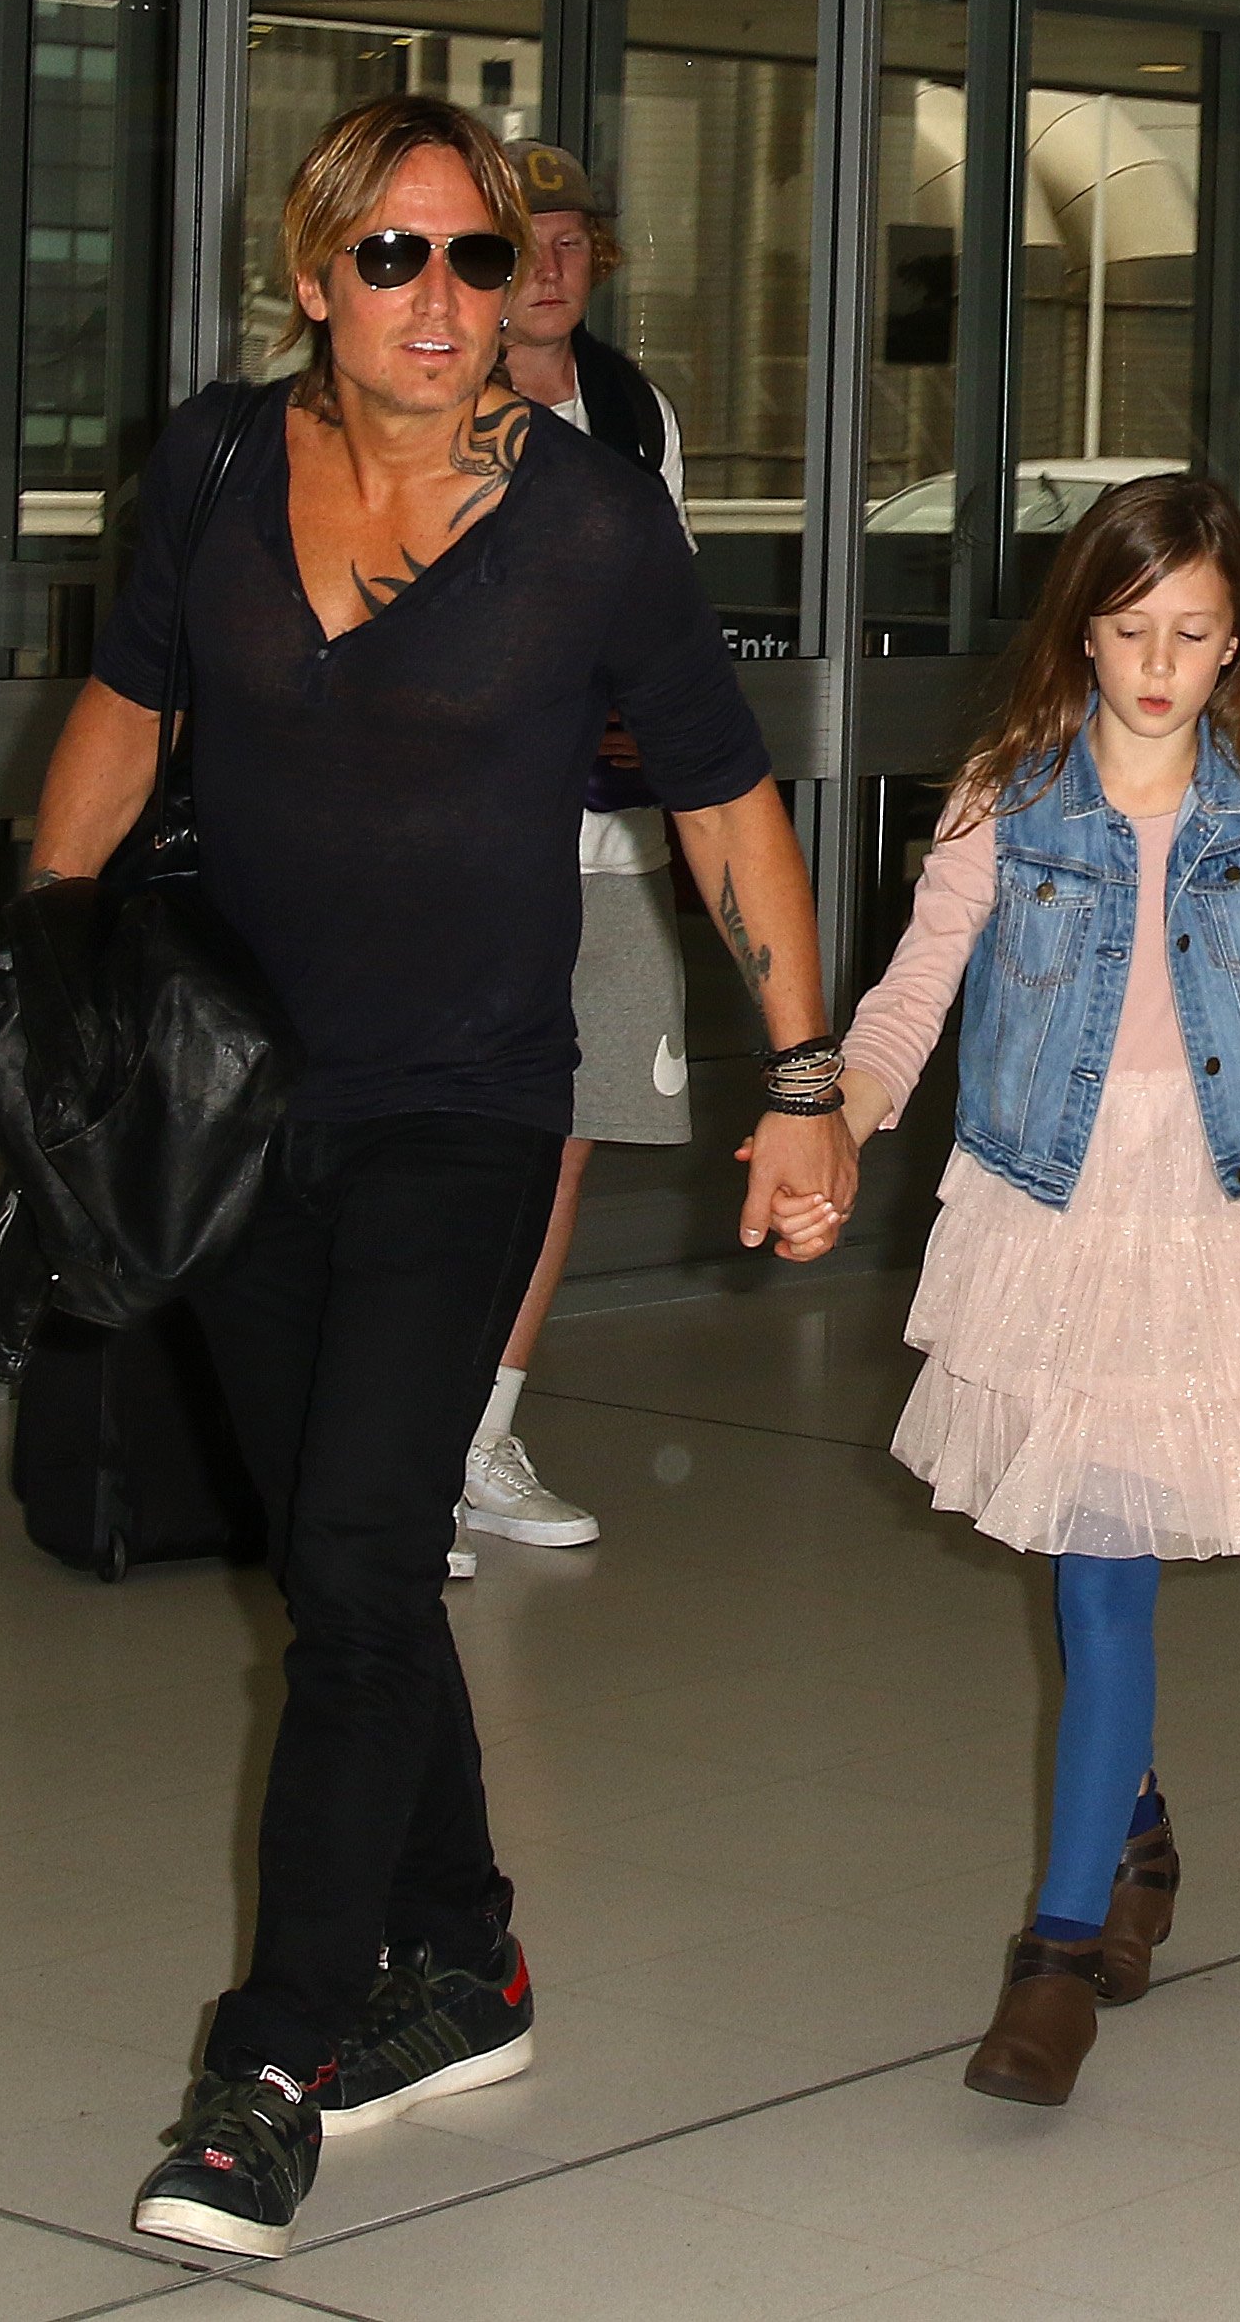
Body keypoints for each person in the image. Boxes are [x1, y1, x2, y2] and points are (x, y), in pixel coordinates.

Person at [22, 95, 853, 2261]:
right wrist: (49, 946)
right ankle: (462, 1952)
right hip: (227, 1105)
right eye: (391, 259)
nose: (441, 302)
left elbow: (726, 811)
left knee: (371, 1560)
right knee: (340, 1559)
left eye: (476, 260)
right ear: (312, 276)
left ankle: (270, 2055)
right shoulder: (209, 466)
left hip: (461, 1109)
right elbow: (126, 707)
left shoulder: (585, 526)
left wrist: (804, 1069)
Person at [774, 476, 1240, 2107]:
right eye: (1129, 630)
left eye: (1193, 635)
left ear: (1233, 646)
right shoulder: (1007, 792)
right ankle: (1129, 1832)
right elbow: (909, 996)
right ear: (1080, 628)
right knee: (1080, 1558)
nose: (1156, 663)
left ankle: (1054, 1960)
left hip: (1199, 1212)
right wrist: (832, 1122)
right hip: (1042, 1204)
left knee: (1104, 1573)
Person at [444, 138, 701, 1562]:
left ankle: (483, 1429)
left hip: (613, 839)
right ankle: (401, 1440)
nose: (547, 264)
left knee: (567, 1135)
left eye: (569, 238)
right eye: (515, 237)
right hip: (466, 845)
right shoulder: (429, 395)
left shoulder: (630, 408)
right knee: (447, 1134)